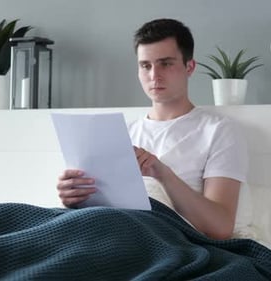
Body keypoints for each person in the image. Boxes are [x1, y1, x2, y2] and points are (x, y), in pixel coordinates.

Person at [56, 18, 248, 240]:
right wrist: (73, 196)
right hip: (103, 229)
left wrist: (162, 173)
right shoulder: (120, 132)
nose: (154, 76)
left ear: (189, 67)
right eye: (145, 65)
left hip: (160, 237)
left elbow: (221, 228)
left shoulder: (219, 131)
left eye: (165, 63)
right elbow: (97, 205)